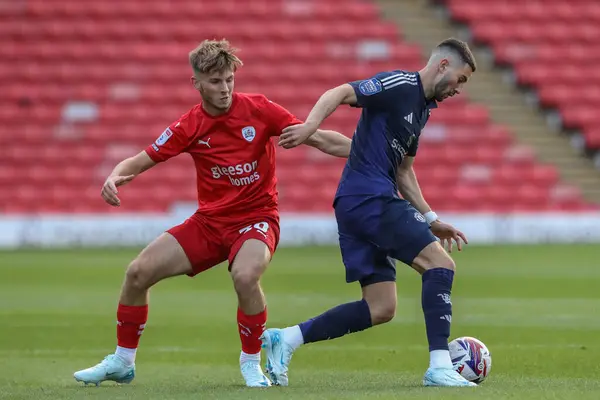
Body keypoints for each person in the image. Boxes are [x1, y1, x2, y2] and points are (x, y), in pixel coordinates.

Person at [73, 39, 351, 388]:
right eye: (216, 81)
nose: (225, 89)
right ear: (197, 84)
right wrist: (114, 176)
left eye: (229, 79)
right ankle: (123, 361)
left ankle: (251, 362)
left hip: (257, 217)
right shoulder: (190, 125)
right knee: (137, 274)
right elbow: (142, 159)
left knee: (245, 277)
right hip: (209, 223)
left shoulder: (259, 109)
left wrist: (367, 153)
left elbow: (319, 138)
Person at [261, 38, 478, 388]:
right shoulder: (400, 85)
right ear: (442, 66)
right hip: (368, 199)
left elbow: (403, 172)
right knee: (440, 266)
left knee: (381, 307)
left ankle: (286, 339)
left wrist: (431, 218)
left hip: (357, 204)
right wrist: (310, 127)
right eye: (460, 79)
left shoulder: (421, 110)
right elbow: (341, 92)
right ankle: (440, 366)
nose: (458, 89)